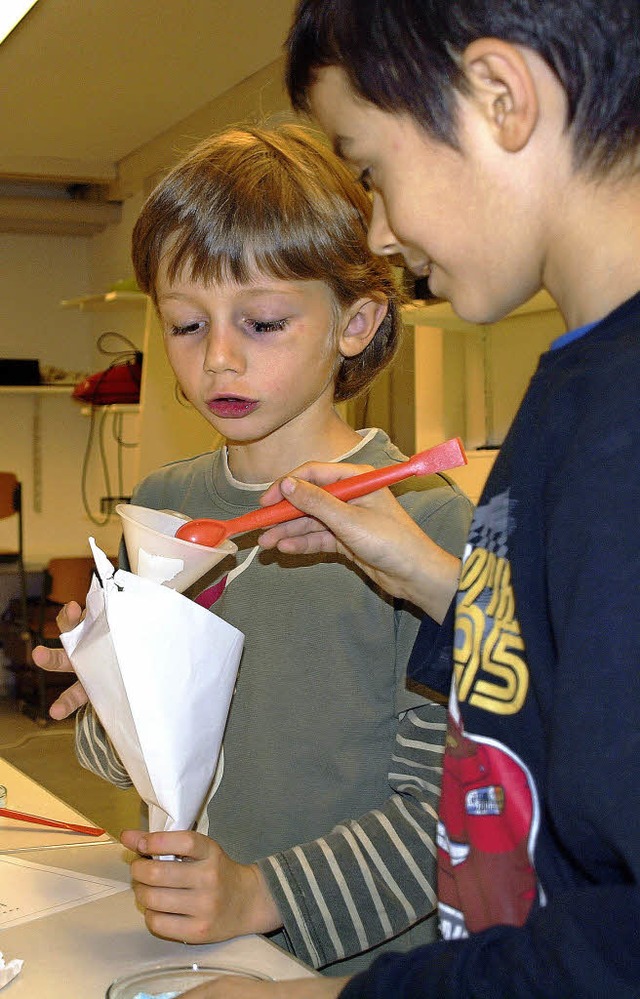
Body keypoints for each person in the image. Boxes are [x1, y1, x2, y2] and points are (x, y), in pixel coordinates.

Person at [173, 0, 640, 995]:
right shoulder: (577, 388)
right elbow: (574, 681)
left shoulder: (620, 427)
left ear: (498, 97)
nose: (377, 225)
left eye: (373, 168)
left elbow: (615, 938)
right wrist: (437, 584)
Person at [33, 123, 472, 978]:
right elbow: (145, 754)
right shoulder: (166, 503)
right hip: (200, 948)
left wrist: (260, 893)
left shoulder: (422, 527)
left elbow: (447, 808)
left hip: (354, 973)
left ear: (357, 322)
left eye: (263, 322)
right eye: (187, 325)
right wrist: (100, 685)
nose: (220, 358)